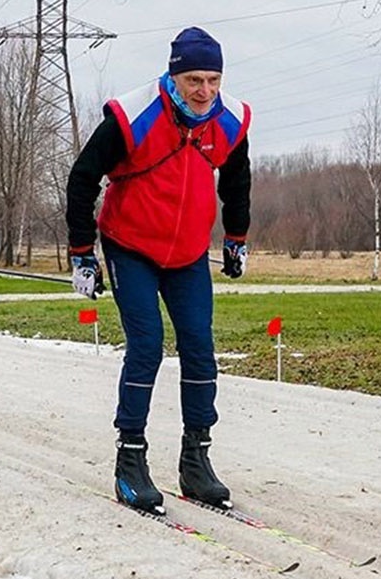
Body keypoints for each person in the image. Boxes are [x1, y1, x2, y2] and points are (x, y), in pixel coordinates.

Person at [66, 26, 251, 512]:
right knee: (147, 344)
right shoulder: (133, 116)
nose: (204, 91)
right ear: (174, 77)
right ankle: (130, 460)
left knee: (200, 347)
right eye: (194, 80)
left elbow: (237, 179)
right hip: (130, 245)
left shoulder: (229, 120)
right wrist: (82, 252)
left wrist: (236, 238)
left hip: (187, 252)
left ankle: (196, 461)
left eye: (213, 80)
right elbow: (82, 178)